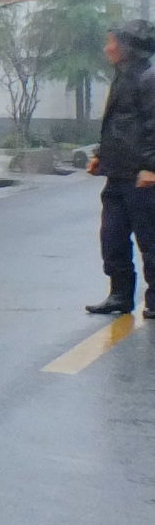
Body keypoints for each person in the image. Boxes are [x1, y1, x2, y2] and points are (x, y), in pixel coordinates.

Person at [86, 19, 155, 317]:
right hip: (117, 174)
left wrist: (151, 166)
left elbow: (153, 126)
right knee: (112, 236)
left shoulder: (149, 78)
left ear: (129, 47)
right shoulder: (123, 76)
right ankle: (119, 295)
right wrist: (102, 154)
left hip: (142, 177)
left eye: (112, 42)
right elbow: (117, 124)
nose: (108, 48)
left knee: (150, 240)